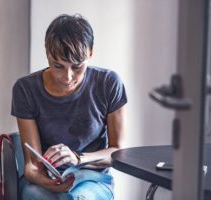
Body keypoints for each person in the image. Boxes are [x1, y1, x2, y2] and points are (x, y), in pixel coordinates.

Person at [11, 14, 127, 200]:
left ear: (90, 53)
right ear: (47, 53)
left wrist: (78, 158)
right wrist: (46, 181)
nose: (67, 77)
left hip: (93, 178)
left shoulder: (108, 83)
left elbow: (118, 153)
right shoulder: (26, 89)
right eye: (58, 66)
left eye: (77, 67)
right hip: (46, 178)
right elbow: (31, 167)